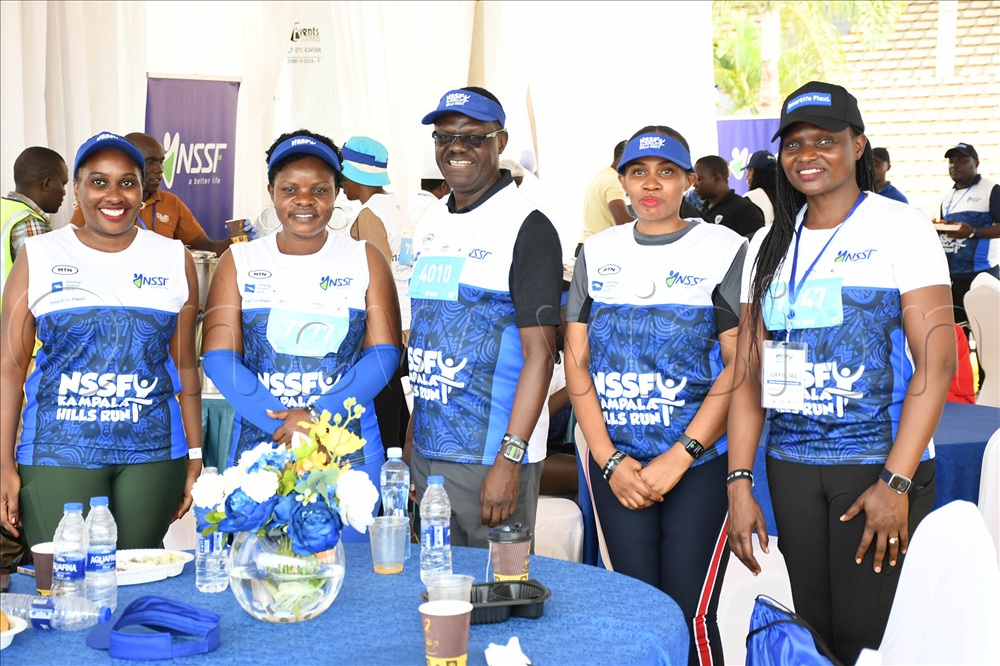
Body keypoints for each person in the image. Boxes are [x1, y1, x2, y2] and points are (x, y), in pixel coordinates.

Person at [726, 81, 955, 665]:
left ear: (858, 145)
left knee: (870, 638)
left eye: (825, 140)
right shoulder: (765, 245)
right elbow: (749, 374)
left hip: (876, 466)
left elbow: (937, 362)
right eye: (795, 143)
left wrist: (897, 481)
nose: (807, 154)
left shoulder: (900, 229)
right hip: (793, 465)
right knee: (816, 632)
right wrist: (740, 481)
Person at [565, 126, 746, 666]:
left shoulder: (724, 250)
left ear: (689, 181)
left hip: (699, 463)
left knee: (689, 609)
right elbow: (577, 362)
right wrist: (609, 458)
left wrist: (680, 456)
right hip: (616, 465)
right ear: (620, 181)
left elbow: (740, 366)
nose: (651, 184)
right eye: (638, 172)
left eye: (667, 172)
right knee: (635, 605)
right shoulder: (595, 253)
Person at [0, 132, 202, 549]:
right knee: (63, 585)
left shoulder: (172, 256)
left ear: (142, 191)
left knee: (137, 581)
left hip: (153, 452)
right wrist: (2, 460)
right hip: (58, 448)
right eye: (99, 181)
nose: (114, 195)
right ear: (76, 189)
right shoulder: (39, 256)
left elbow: (185, 366)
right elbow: (9, 368)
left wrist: (196, 455)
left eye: (127, 182)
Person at [201, 130, 401, 542]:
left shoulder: (365, 258)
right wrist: (283, 424)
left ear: (337, 192)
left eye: (319, 190)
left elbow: (383, 353)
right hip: (261, 445)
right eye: (290, 189)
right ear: (272, 191)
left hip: (348, 447)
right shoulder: (238, 260)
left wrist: (315, 417)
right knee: (263, 571)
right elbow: (219, 356)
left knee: (352, 577)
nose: (304, 200)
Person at [407, 86, 563, 548]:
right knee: (433, 593)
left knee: (497, 602)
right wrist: (415, 440)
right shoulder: (431, 222)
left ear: (501, 141)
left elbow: (541, 356)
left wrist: (509, 460)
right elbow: (425, 338)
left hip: (491, 456)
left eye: (473, 136)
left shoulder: (527, 226)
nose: (456, 147)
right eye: (444, 136)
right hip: (430, 454)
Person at [341, 135, 412, 451]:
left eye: (342, 175)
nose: (340, 183)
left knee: (384, 426)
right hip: (409, 321)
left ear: (356, 176)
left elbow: (377, 279)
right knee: (399, 415)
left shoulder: (369, 214)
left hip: (387, 329)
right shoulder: (396, 206)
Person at [70, 132, 251, 253]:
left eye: (161, 162)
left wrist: (238, 239)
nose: (159, 170)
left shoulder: (171, 202)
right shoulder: (97, 205)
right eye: (150, 162)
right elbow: (76, 248)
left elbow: (205, 247)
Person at [935, 142, 1000, 326]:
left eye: (962, 160)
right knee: (958, 334)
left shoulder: (992, 190)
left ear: (976, 162)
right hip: (953, 277)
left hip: (982, 274)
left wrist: (973, 232)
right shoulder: (948, 198)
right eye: (952, 161)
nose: (955, 165)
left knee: (985, 334)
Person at [1, 148, 68, 301]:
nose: (64, 192)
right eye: (63, 184)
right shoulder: (30, 222)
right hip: (12, 319)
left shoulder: (5, 210)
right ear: (47, 184)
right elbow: (43, 287)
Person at [575, 140, 632, 257]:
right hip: (598, 248)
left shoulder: (601, 176)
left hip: (586, 245)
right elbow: (622, 221)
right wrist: (651, 226)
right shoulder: (614, 181)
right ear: (622, 157)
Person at [694, 155, 765, 239]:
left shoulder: (745, 209)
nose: (694, 185)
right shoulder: (701, 210)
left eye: (698, 179)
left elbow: (755, 246)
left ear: (716, 178)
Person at [742, 149, 778, 227]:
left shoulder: (750, 197)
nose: (747, 175)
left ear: (752, 170)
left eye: (748, 170)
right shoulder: (786, 195)